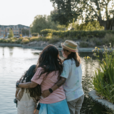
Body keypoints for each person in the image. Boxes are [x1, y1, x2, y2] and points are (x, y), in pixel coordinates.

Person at [16, 45, 70, 114]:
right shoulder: (59, 67)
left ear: (44, 55)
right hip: (61, 100)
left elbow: (33, 84)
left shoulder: (42, 69)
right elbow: (62, 80)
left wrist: (18, 84)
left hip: (48, 102)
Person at [42, 40, 84, 114]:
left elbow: (63, 80)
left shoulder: (67, 62)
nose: (62, 51)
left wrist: (50, 90)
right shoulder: (78, 61)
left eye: (64, 49)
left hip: (71, 96)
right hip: (80, 94)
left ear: (69, 52)